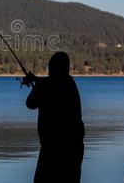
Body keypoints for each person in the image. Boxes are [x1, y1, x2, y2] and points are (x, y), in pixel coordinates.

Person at [24, 51, 85, 183]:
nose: (49, 71)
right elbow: (50, 84)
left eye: (51, 67)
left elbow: (30, 103)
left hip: (53, 152)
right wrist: (36, 81)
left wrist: (36, 85)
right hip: (72, 150)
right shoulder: (69, 84)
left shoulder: (51, 86)